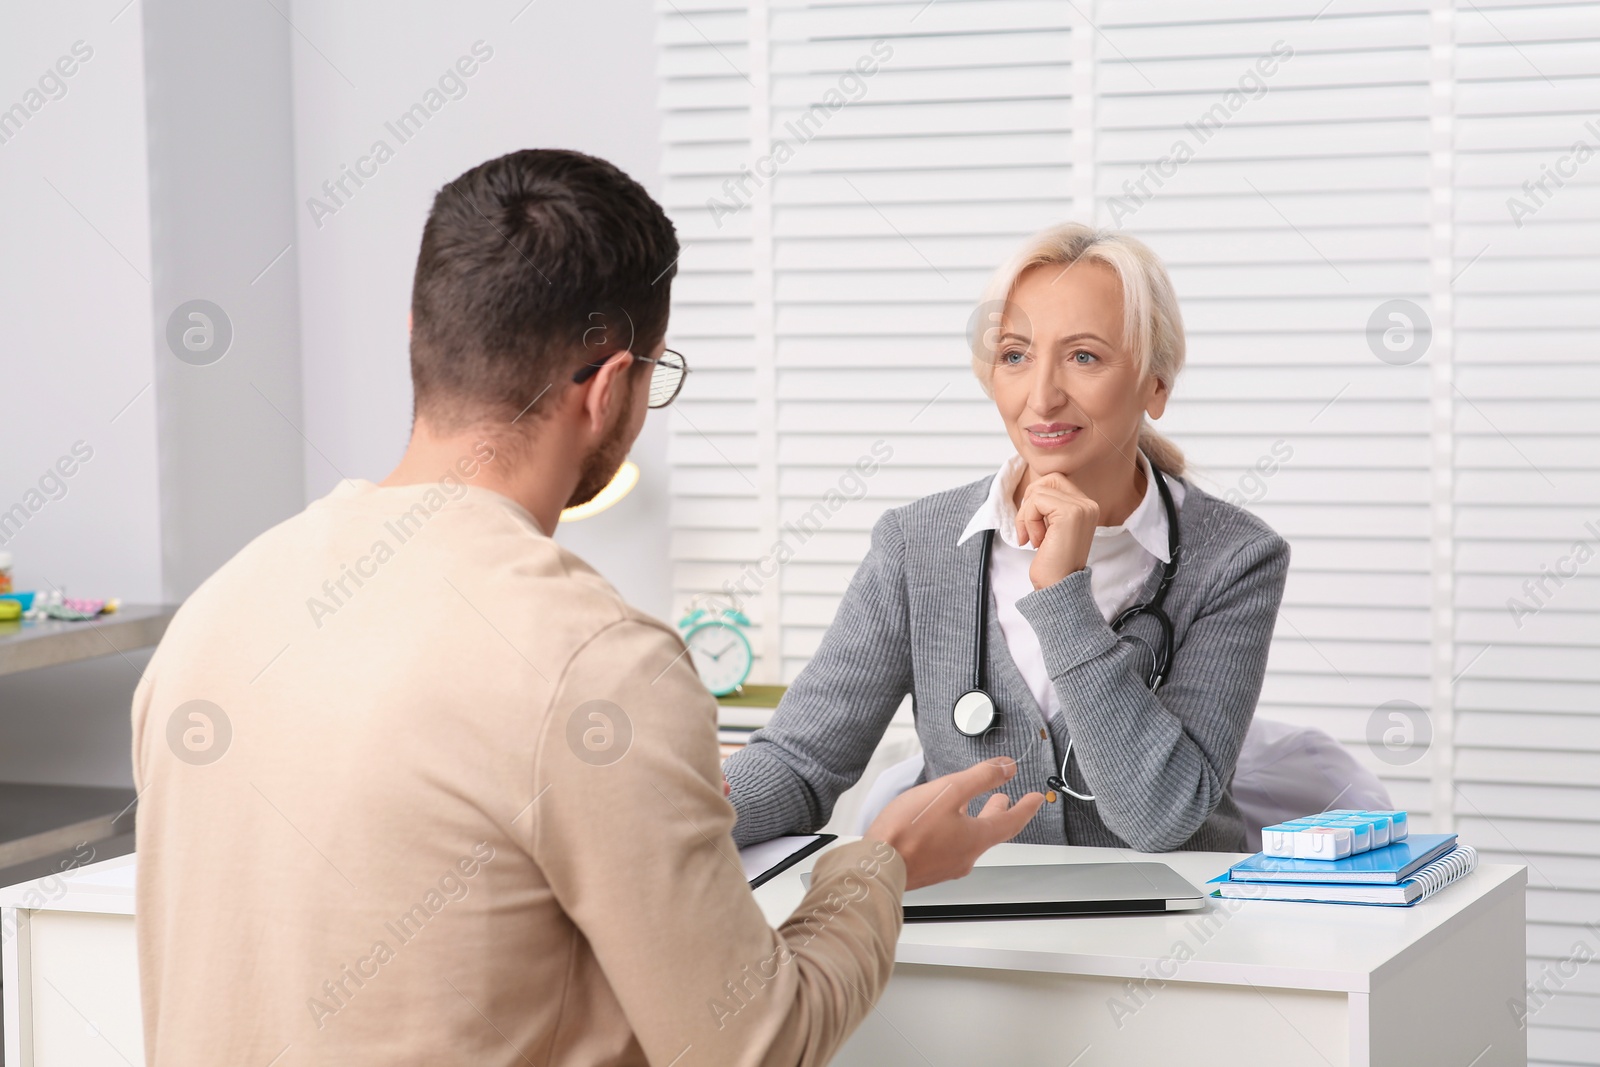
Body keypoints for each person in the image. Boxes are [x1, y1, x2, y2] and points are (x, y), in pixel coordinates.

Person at [131, 148, 1044, 1067]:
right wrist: (880, 865)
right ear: (609, 389)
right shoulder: (596, 663)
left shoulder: (216, 613)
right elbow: (757, 1043)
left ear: (419, 333)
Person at [726, 223, 1290, 854]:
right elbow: (802, 762)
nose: (1042, 398)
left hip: (1174, 927)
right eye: (1015, 355)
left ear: (1155, 384)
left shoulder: (1234, 559)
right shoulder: (917, 545)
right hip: (974, 930)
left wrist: (1064, 599)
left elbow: (1160, 820)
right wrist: (666, 821)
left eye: (1084, 357)